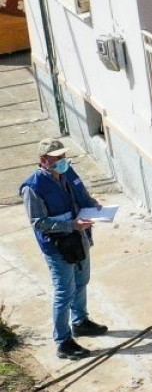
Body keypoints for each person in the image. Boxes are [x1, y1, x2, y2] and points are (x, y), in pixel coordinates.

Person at [19, 138, 107, 359]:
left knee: (81, 281)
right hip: (59, 246)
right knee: (64, 292)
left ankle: (80, 321)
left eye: (63, 157)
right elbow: (38, 222)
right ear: (43, 160)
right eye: (57, 158)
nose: (62, 161)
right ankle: (63, 341)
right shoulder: (33, 187)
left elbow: (79, 198)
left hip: (79, 238)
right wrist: (70, 225)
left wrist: (92, 205)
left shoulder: (67, 175)